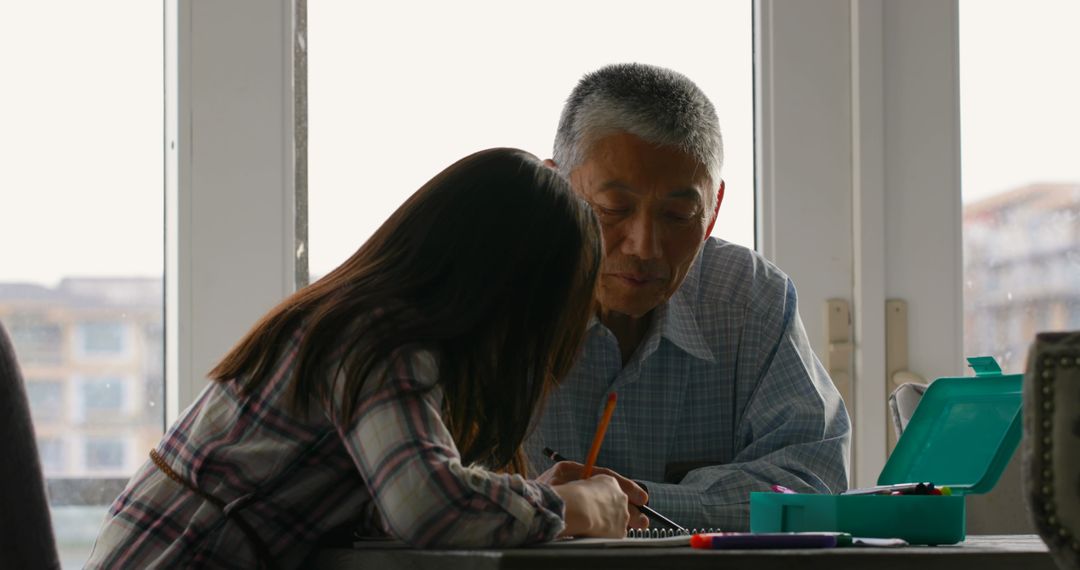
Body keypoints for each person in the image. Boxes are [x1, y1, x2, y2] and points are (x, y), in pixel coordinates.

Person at [85, 148, 646, 569]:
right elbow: (424, 507)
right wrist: (568, 508)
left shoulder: (363, 321)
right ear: (510, 293)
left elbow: (397, 497)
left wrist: (537, 496)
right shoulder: (378, 339)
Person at [527, 63, 851, 531]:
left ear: (714, 210)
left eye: (678, 215)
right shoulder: (490, 298)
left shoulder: (747, 299)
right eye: (613, 209)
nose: (644, 246)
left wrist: (622, 503)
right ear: (554, 189)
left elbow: (810, 481)